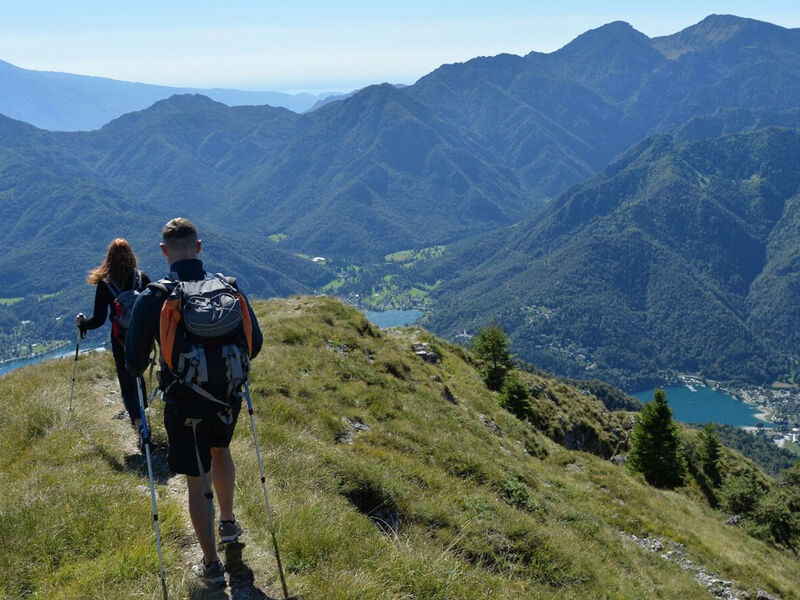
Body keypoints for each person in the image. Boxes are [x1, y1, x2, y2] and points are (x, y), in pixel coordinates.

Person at [125, 218, 263, 587]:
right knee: (221, 451)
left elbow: (134, 363)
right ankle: (229, 524)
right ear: (199, 247)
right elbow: (256, 343)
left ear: (163, 251)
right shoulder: (228, 287)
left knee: (195, 479)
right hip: (227, 398)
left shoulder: (153, 296)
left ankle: (211, 564)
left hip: (184, 403)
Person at [75, 238, 150, 434]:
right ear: (131, 255)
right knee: (138, 373)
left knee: (126, 380)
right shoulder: (142, 279)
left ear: (109, 258)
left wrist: (83, 323)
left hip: (120, 338)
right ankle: (145, 412)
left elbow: (99, 319)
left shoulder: (105, 284)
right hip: (142, 336)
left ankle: (138, 422)